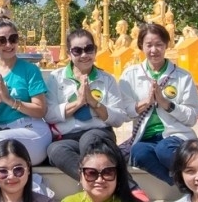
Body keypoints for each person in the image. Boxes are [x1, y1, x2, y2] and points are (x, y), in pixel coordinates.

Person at [44, 29, 133, 192]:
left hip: (99, 133)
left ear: (95, 50)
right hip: (68, 136)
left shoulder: (106, 79)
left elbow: (119, 118)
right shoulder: (56, 78)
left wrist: (94, 103)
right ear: (69, 53)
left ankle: (114, 186)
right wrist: (78, 103)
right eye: (77, 50)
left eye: (89, 49)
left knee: (89, 138)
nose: (84, 55)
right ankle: (94, 182)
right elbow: (48, 114)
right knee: (54, 150)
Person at [120, 22, 198, 194]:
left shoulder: (182, 76)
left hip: (175, 135)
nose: (154, 50)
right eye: (149, 45)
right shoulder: (130, 75)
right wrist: (145, 103)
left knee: (165, 149)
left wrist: (167, 104)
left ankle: (195, 181)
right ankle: (181, 184)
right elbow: (124, 111)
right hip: (145, 137)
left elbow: (192, 117)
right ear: (141, 46)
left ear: (166, 45)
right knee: (138, 152)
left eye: (159, 44)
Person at [0, 19, 50, 176]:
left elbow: (41, 110)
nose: (8, 45)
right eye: (2, 40)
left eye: (13, 39)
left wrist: (11, 101)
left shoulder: (30, 70)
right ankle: (32, 183)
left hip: (31, 131)